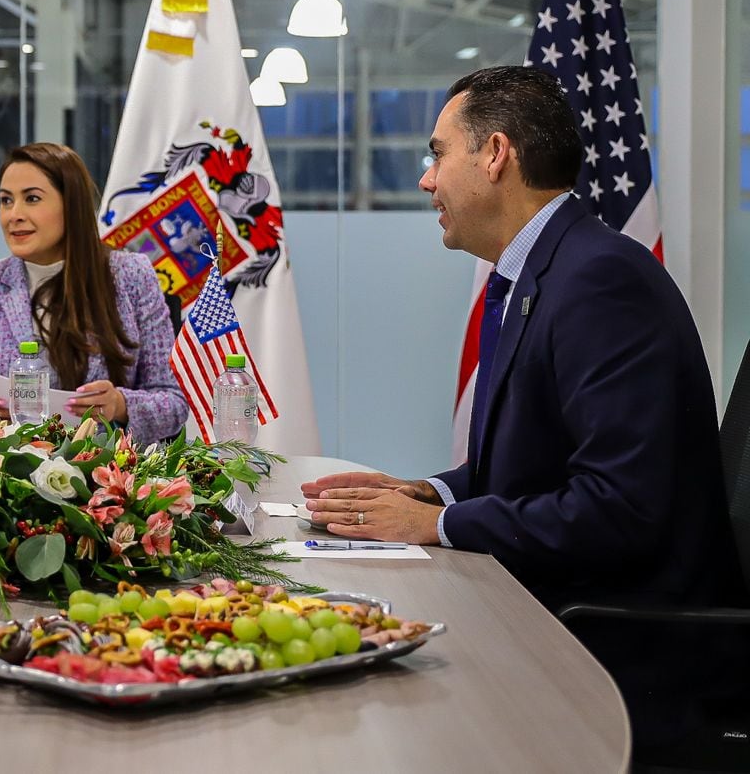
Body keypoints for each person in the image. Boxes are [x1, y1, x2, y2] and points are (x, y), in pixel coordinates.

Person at [300, 66, 739, 740]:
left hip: (622, 650)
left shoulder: (599, 279)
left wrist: (434, 528)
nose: (427, 179)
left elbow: (617, 509)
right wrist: (424, 494)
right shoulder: (540, 275)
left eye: (438, 154)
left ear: (496, 153)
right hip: (561, 616)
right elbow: (530, 470)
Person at [0, 142, 188, 444]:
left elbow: (174, 402)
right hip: (5, 476)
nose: (13, 214)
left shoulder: (132, 275)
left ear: (71, 205)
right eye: (6, 201)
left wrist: (120, 405)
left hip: (110, 476)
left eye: (31, 199)